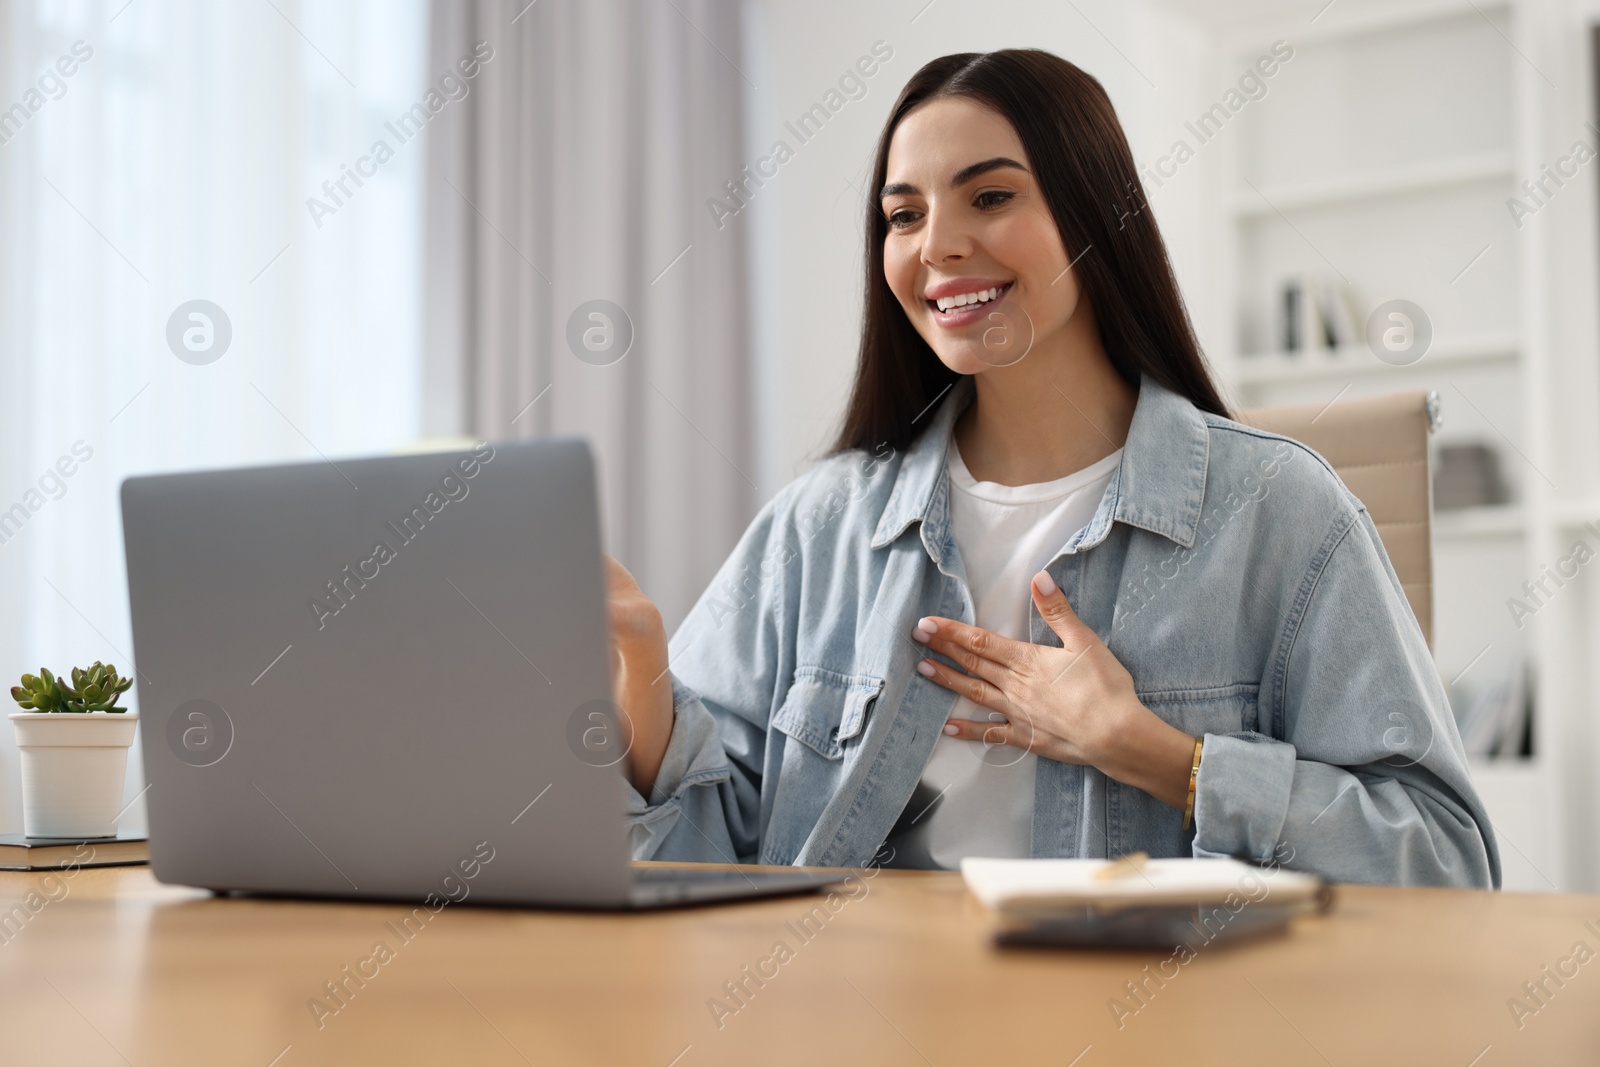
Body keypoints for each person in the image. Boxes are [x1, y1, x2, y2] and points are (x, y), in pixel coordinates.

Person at [602, 48, 1499, 887]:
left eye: (989, 197)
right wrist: (641, 677)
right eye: (904, 215)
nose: (937, 246)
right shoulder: (818, 525)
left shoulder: (1281, 510)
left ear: (1095, 217)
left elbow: (1446, 861)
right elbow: (706, 865)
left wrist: (1159, 755)